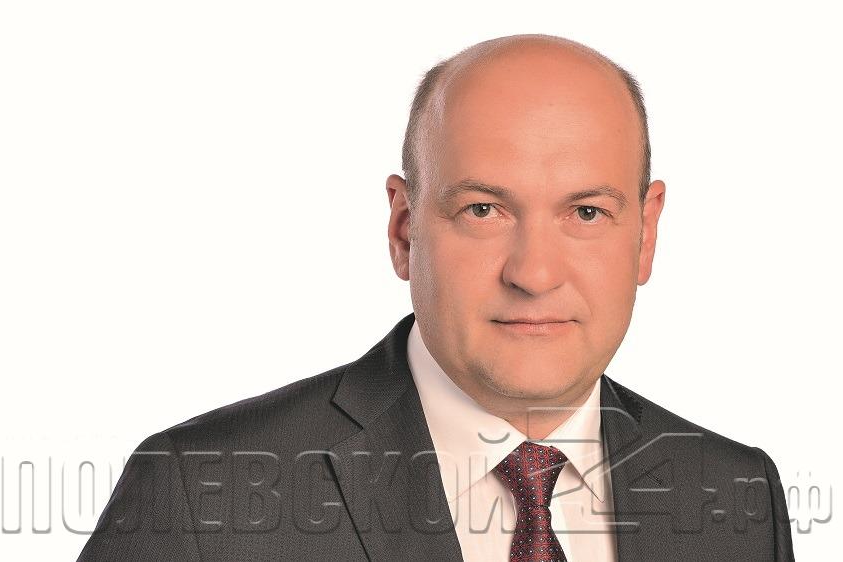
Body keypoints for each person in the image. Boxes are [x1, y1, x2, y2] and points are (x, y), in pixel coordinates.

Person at [78, 34, 795, 562]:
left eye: (586, 213)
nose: (534, 273)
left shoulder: (737, 496)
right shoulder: (203, 497)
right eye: (483, 210)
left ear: (645, 234)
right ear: (403, 228)